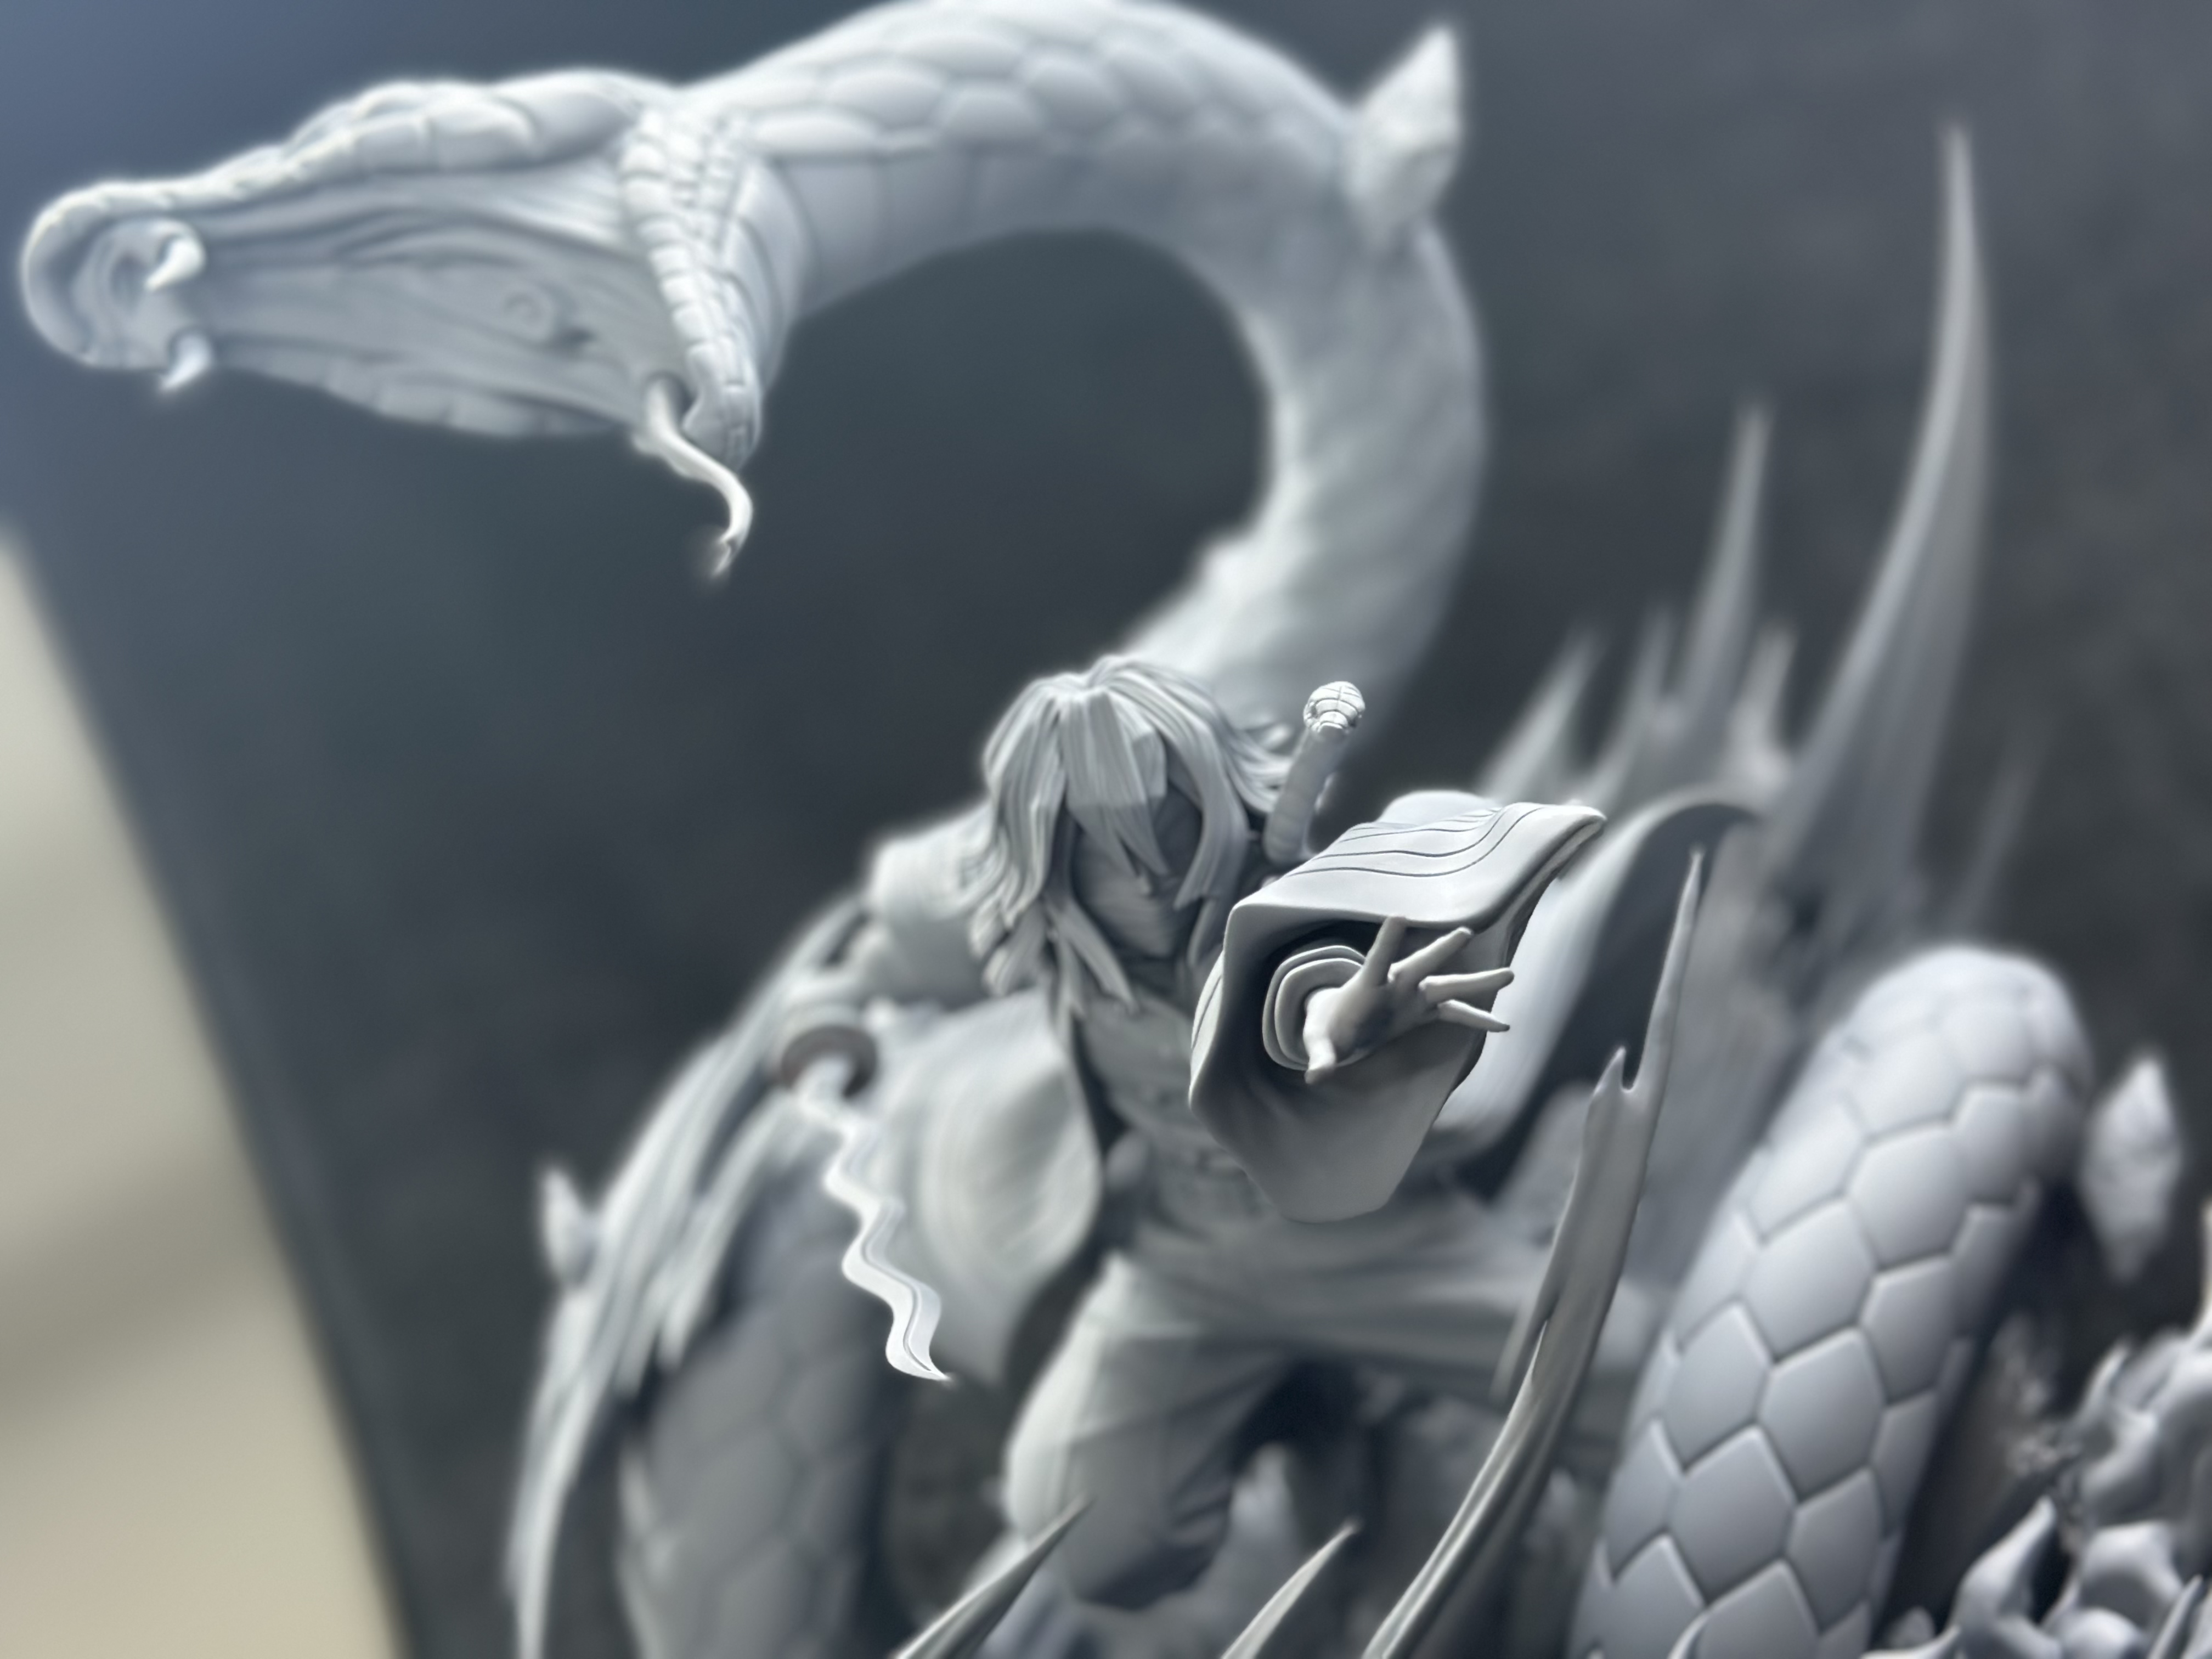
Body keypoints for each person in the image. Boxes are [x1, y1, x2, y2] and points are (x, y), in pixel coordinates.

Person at [775, 656, 1651, 1609]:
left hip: (1362, 1244)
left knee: (1632, 1385)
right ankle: (1302, 1408)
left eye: (1170, 835)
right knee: (1088, 1531)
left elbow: (1303, 985)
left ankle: (1371, 1410)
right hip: (1183, 1261)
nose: (1151, 884)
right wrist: (827, 1024)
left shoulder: (1266, 907)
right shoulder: (1035, 921)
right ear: (1053, 856)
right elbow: (874, 963)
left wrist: (1342, 1024)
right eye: (1111, 855)